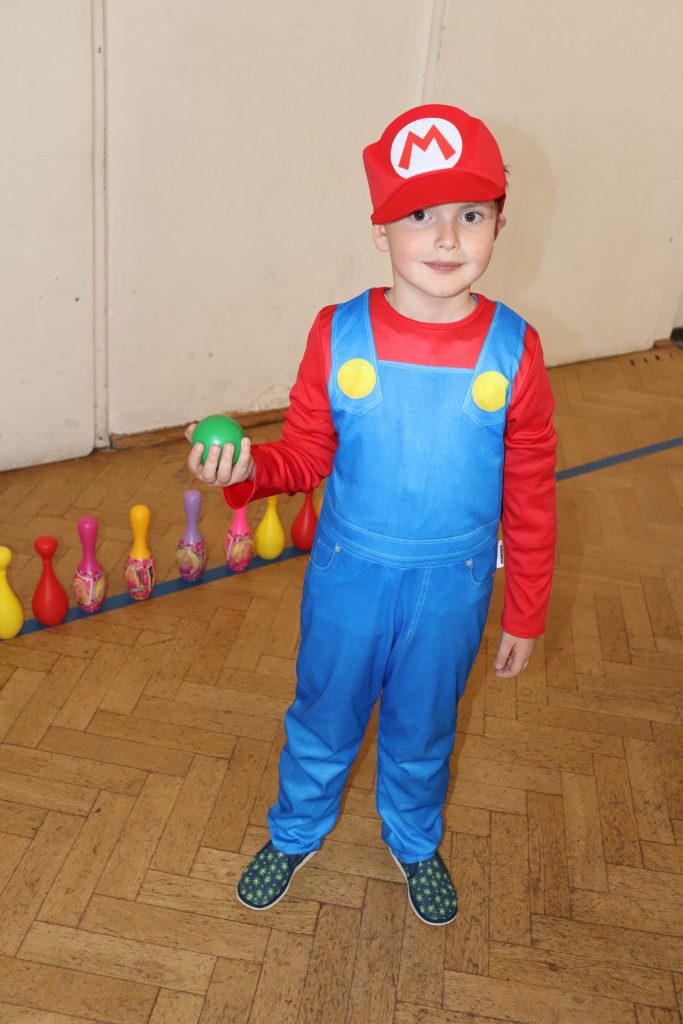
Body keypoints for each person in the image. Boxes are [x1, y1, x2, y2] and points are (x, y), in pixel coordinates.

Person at [186, 103, 556, 927]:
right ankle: (295, 830)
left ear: (500, 223)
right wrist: (247, 472)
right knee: (323, 714)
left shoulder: (515, 349)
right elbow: (303, 456)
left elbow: (531, 492)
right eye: (419, 215)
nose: (447, 238)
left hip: (452, 589)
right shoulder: (338, 333)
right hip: (348, 580)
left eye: (470, 215)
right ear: (380, 228)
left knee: (425, 728)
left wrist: (525, 609)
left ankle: (415, 840)